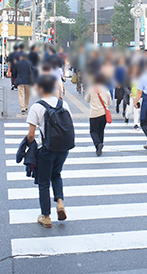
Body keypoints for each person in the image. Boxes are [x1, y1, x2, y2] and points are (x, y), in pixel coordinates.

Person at [26, 74, 73, 228]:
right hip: (63, 148)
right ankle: (60, 202)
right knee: (56, 174)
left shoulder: (36, 107)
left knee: (44, 182)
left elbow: (31, 135)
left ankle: (46, 216)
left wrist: (27, 145)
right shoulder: (63, 105)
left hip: (46, 150)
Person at [84, 73, 112, 156]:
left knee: (93, 131)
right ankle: (100, 144)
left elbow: (86, 100)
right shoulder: (106, 89)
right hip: (103, 113)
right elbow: (110, 101)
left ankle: (97, 144)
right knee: (101, 130)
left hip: (94, 113)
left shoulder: (91, 89)